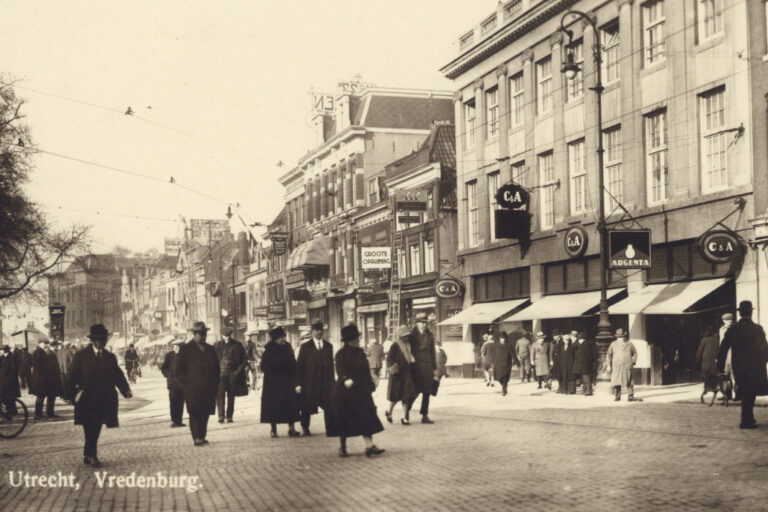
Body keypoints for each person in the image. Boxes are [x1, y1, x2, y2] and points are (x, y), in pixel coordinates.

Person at [63, 324, 132, 468]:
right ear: (93, 341)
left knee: (96, 426)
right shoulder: (81, 356)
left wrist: (125, 390)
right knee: (90, 426)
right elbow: (72, 375)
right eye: (99, 340)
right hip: (87, 398)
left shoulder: (109, 357)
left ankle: (88, 454)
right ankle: (91, 454)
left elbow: (118, 375)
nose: (102, 342)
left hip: (104, 399)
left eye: (104, 339)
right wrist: (68, 394)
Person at [326, 323, 385, 457]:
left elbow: (365, 368)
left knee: (367, 417)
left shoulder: (360, 352)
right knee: (345, 419)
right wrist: (346, 379)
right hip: (346, 392)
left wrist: (372, 379)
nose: (359, 340)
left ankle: (369, 446)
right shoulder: (340, 354)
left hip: (362, 391)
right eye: (356, 339)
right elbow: (340, 370)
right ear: (350, 341)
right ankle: (342, 446)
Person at [717, 301, 768, 429]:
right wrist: (764, 362)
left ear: (739, 313)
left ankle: (748, 418)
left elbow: (723, 348)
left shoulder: (733, 329)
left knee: (745, 390)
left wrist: (720, 366)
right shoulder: (757, 329)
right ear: (751, 312)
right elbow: (765, 348)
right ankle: (745, 420)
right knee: (751, 391)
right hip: (755, 366)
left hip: (738, 366)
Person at [176, 321, 220, 446]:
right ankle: (196, 437)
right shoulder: (186, 349)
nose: (203, 336)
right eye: (200, 334)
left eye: (204, 334)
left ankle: (202, 435)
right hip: (192, 389)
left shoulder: (210, 349)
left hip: (208, 388)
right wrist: (187, 385)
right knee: (194, 413)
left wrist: (216, 383)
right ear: (194, 335)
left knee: (205, 413)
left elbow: (216, 369)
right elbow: (178, 371)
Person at [294, 320, 335, 436]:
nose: (319, 332)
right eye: (317, 330)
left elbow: (331, 366)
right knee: (306, 407)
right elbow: (300, 366)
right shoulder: (305, 347)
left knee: (329, 406)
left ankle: (330, 428)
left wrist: (333, 383)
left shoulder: (328, 346)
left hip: (325, 384)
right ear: (311, 332)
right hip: (310, 384)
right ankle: (305, 427)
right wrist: (298, 384)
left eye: (321, 329)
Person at [260, 326, 300, 438]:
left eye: (284, 337)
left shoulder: (288, 347)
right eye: (281, 337)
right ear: (275, 339)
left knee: (290, 405)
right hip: (273, 383)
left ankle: (291, 428)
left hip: (287, 381)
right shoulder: (269, 350)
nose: (283, 339)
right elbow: (263, 366)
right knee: (273, 406)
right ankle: (273, 430)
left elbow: (293, 362)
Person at [408, 312, 438, 424]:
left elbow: (432, 352)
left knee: (427, 391)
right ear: (417, 323)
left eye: (426, 323)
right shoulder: (411, 334)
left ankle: (424, 415)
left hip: (427, 366)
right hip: (415, 366)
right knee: (415, 391)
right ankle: (406, 411)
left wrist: (434, 368)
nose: (424, 325)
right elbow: (407, 349)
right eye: (422, 323)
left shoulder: (430, 334)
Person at [214, 327, 248, 424]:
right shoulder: (217, 345)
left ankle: (229, 416)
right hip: (220, 375)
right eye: (225, 336)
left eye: (228, 335)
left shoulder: (238, 345)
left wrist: (237, 372)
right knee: (219, 396)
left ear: (231, 335)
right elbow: (212, 360)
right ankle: (221, 416)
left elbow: (244, 360)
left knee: (231, 396)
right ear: (222, 336)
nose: (227, 337)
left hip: (233, 374)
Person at [384, 326, 417, 424]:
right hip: (397, 375)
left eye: (407, 336)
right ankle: (389, 412)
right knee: (395, 397)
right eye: (404, 336)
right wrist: (394, 369)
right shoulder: (395, 345)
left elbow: (410, 356)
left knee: (406, 396)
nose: (406, 338)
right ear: (400, 337)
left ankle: (404, 418)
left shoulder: (409, 344)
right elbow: (389, 359)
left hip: (407, 374)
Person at [30, 340, 62, 419]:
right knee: (41, 396)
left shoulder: (44, 352)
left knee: (50, 395)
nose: (45, 345)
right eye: (44, 343)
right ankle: (38, 414)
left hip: (46, 379)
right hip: (41, 379)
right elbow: (38, 367)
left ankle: (49, 413)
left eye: (46, 344)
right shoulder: (37, 352)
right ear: (39, 344)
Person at [606, 328, 639, 402]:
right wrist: (609, 365)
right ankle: (617, 396)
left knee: (629, 380)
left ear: (624, 336)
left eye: (622, 337)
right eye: (619, 337)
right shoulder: (613, 344)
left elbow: (635, 353)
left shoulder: (630, 344)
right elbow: (609, 355)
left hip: (627, 365)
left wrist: (633, 361)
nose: (621, 339)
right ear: (617, 337)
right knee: (617, 381)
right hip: (617, 366)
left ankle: (630, 396)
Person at [160, 340, 185, 428]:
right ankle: (174, 420)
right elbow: (163, 368)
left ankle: (179, 421)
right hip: (172, 383)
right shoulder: (169, 355)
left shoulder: (184, 356)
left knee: (181, 402)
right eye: (175, 347)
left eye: (178, 347)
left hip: (182, 383)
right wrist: (168, 375)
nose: (176, 348)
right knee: (173, 402)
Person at [718, 312, 736, 400]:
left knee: (735, 375)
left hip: (734, 354)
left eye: (730, 319)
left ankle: (737, 394)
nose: (729, 321)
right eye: (727, 320)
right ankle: (726, 394)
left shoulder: (735, 329)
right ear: (723, 321)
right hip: (725, 355)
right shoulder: (721, 329)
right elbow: (720, 343)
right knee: (725, 375)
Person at [572, 332, 596, 396]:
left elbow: (572, 350)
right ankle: (586, 390)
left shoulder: (576, 344)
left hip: (579, 363)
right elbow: (593, 354)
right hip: (586, 364)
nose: (580, 341)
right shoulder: (588, 343)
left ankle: (587, 391)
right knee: (586, 378)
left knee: (583, 378)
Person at [0, 345, 20, 415]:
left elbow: (14, 369)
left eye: (1, 350)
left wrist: (9, 379)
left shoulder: (11, 357)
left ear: (5, 350)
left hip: (10, 381)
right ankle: (10, 412)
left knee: (9, 397)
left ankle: (11, 412)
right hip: (3, 381)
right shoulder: (2, 357)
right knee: (7, 397)